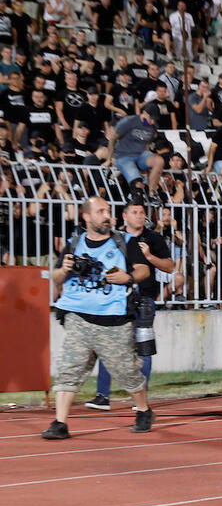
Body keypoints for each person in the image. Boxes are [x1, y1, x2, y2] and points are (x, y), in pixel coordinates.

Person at [42, 196, 154, 440]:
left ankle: (144, 410)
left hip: (113, 319)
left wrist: (129, 277)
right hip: (77, 316)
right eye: (101, 211)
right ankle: (60, 422)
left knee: (126, 371)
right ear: (86, 217)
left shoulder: (125, 241)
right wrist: (65, 269)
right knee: (69, 369)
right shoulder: (74, 244)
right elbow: (57, 277)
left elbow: (144, 269)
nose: (107, 215)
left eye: (108, 211)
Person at [86, 200, 174, 411]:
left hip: (144, 299)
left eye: (142, 212)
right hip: (117, 300)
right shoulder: (115, 238)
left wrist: (149, 256)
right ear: (124, 216)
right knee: (109, 346)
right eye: (134, 212)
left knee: (144, 347)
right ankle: (102, 396)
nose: (139, 215)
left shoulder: (153, 238)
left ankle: (140, 400)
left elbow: (170, 267)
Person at [106, 104, 165, 205]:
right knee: (137, 183)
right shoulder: (129, 121)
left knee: (159, 161)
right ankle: (139, 210)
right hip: (124, 156)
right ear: (144, 113)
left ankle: (152, 194)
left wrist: (148, 163)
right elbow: (113, 140)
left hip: (140, 155)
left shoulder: (153, 127)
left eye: (155, 120)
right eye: (151, 118)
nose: (152, 122)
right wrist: (109, 159)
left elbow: (147, 144)